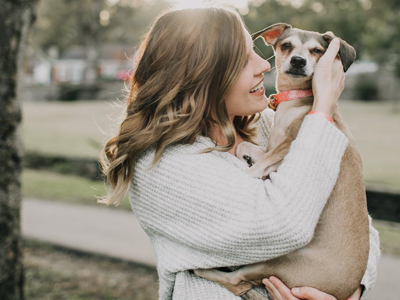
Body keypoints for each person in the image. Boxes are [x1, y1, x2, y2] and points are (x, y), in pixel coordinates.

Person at [99, 6, 381, 300]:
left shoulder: (268, 127)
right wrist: (322, 109)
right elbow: (282, 225)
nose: (264, 64)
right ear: (203, 75)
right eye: (245, 59)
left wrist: (349, 291)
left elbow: (357, 222)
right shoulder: (163, 166)